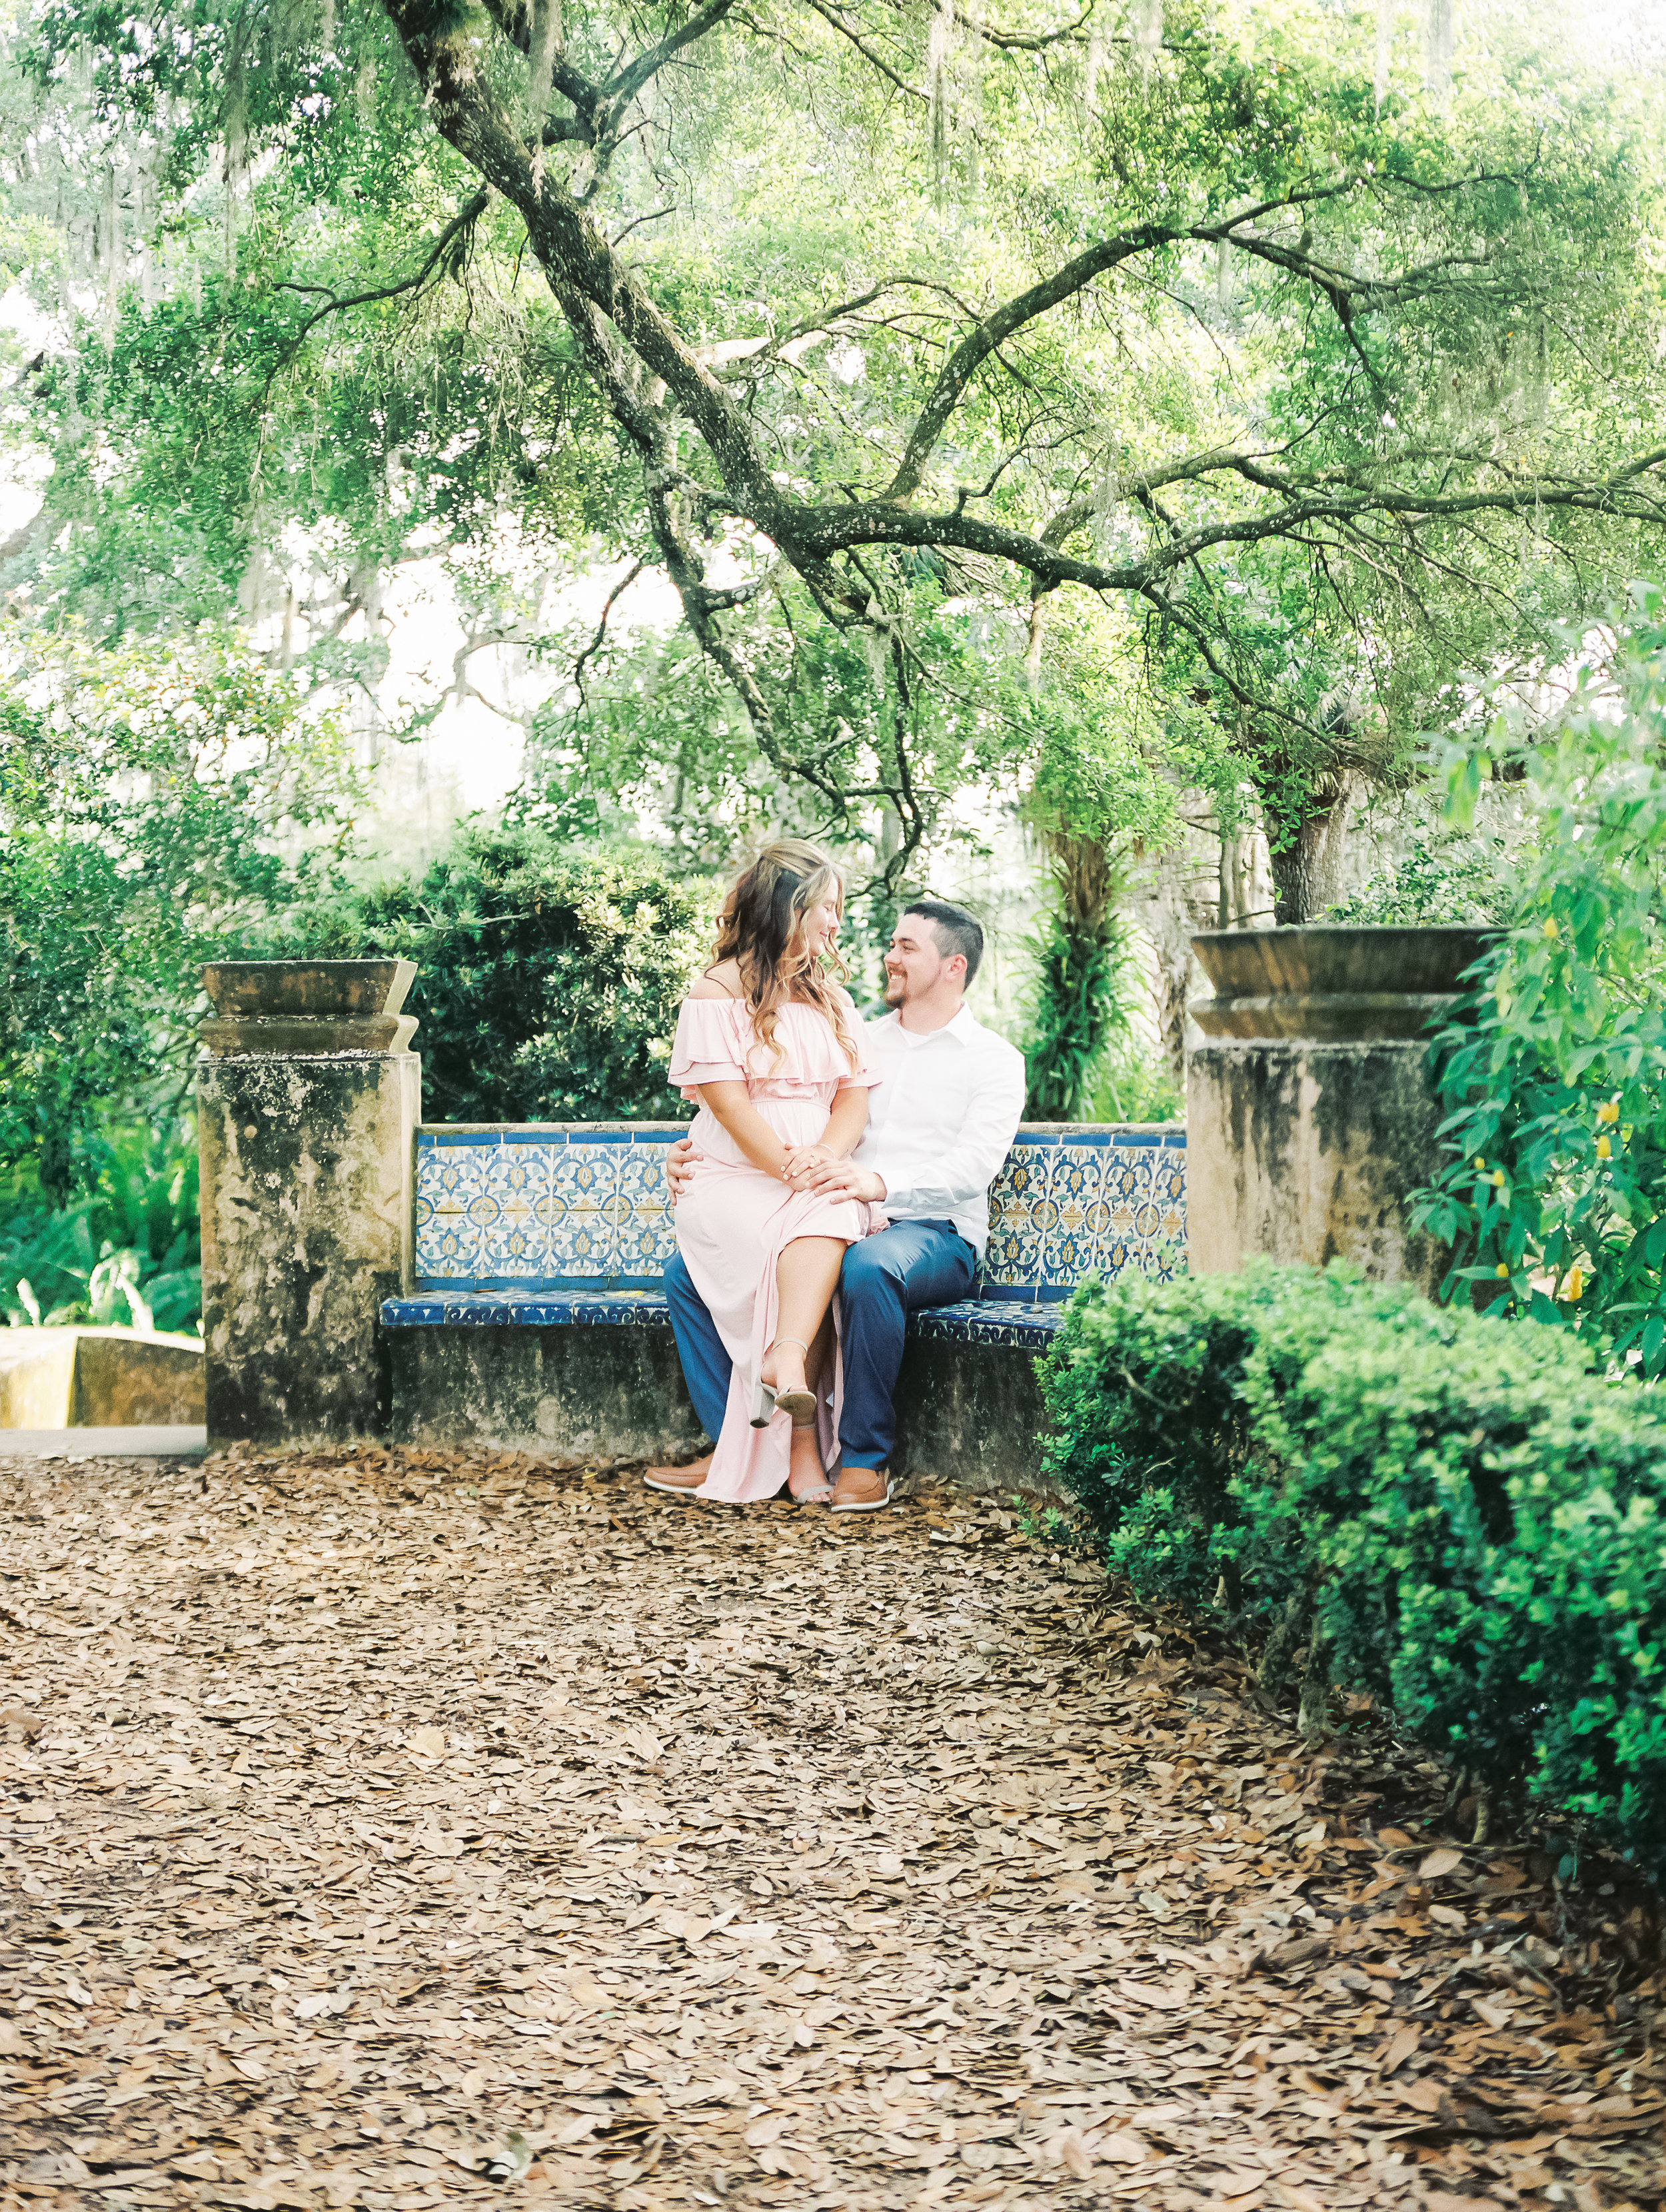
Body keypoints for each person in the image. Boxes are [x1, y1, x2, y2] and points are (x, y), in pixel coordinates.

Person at [646, 897, 1026, 1511]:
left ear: (954, 966)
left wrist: (878, 1184)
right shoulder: (852, 1032)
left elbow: (972, 1169)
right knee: (685, 1273)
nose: (889, 957)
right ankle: (737, 1444)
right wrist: (694, 1151)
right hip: (827, 1207)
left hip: (932, 1232)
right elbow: (771, 1103)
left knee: (865, 1267)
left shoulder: (994, 1060)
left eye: (907, 948)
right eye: (892, 944)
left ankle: (862, 1459)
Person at [655, 839, 886, 1507]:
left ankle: (787, 1367)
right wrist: (791, 1167)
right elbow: (727, 1105)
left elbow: (853, 1098)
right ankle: (800, 1443)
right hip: (733, 1176)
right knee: (805, 1232)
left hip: (809, 1173)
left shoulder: (830, 997)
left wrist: (827, 1158)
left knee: (832, 1213)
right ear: (787, 907)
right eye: (827, 907)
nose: (836, 924)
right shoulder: (716, 990)